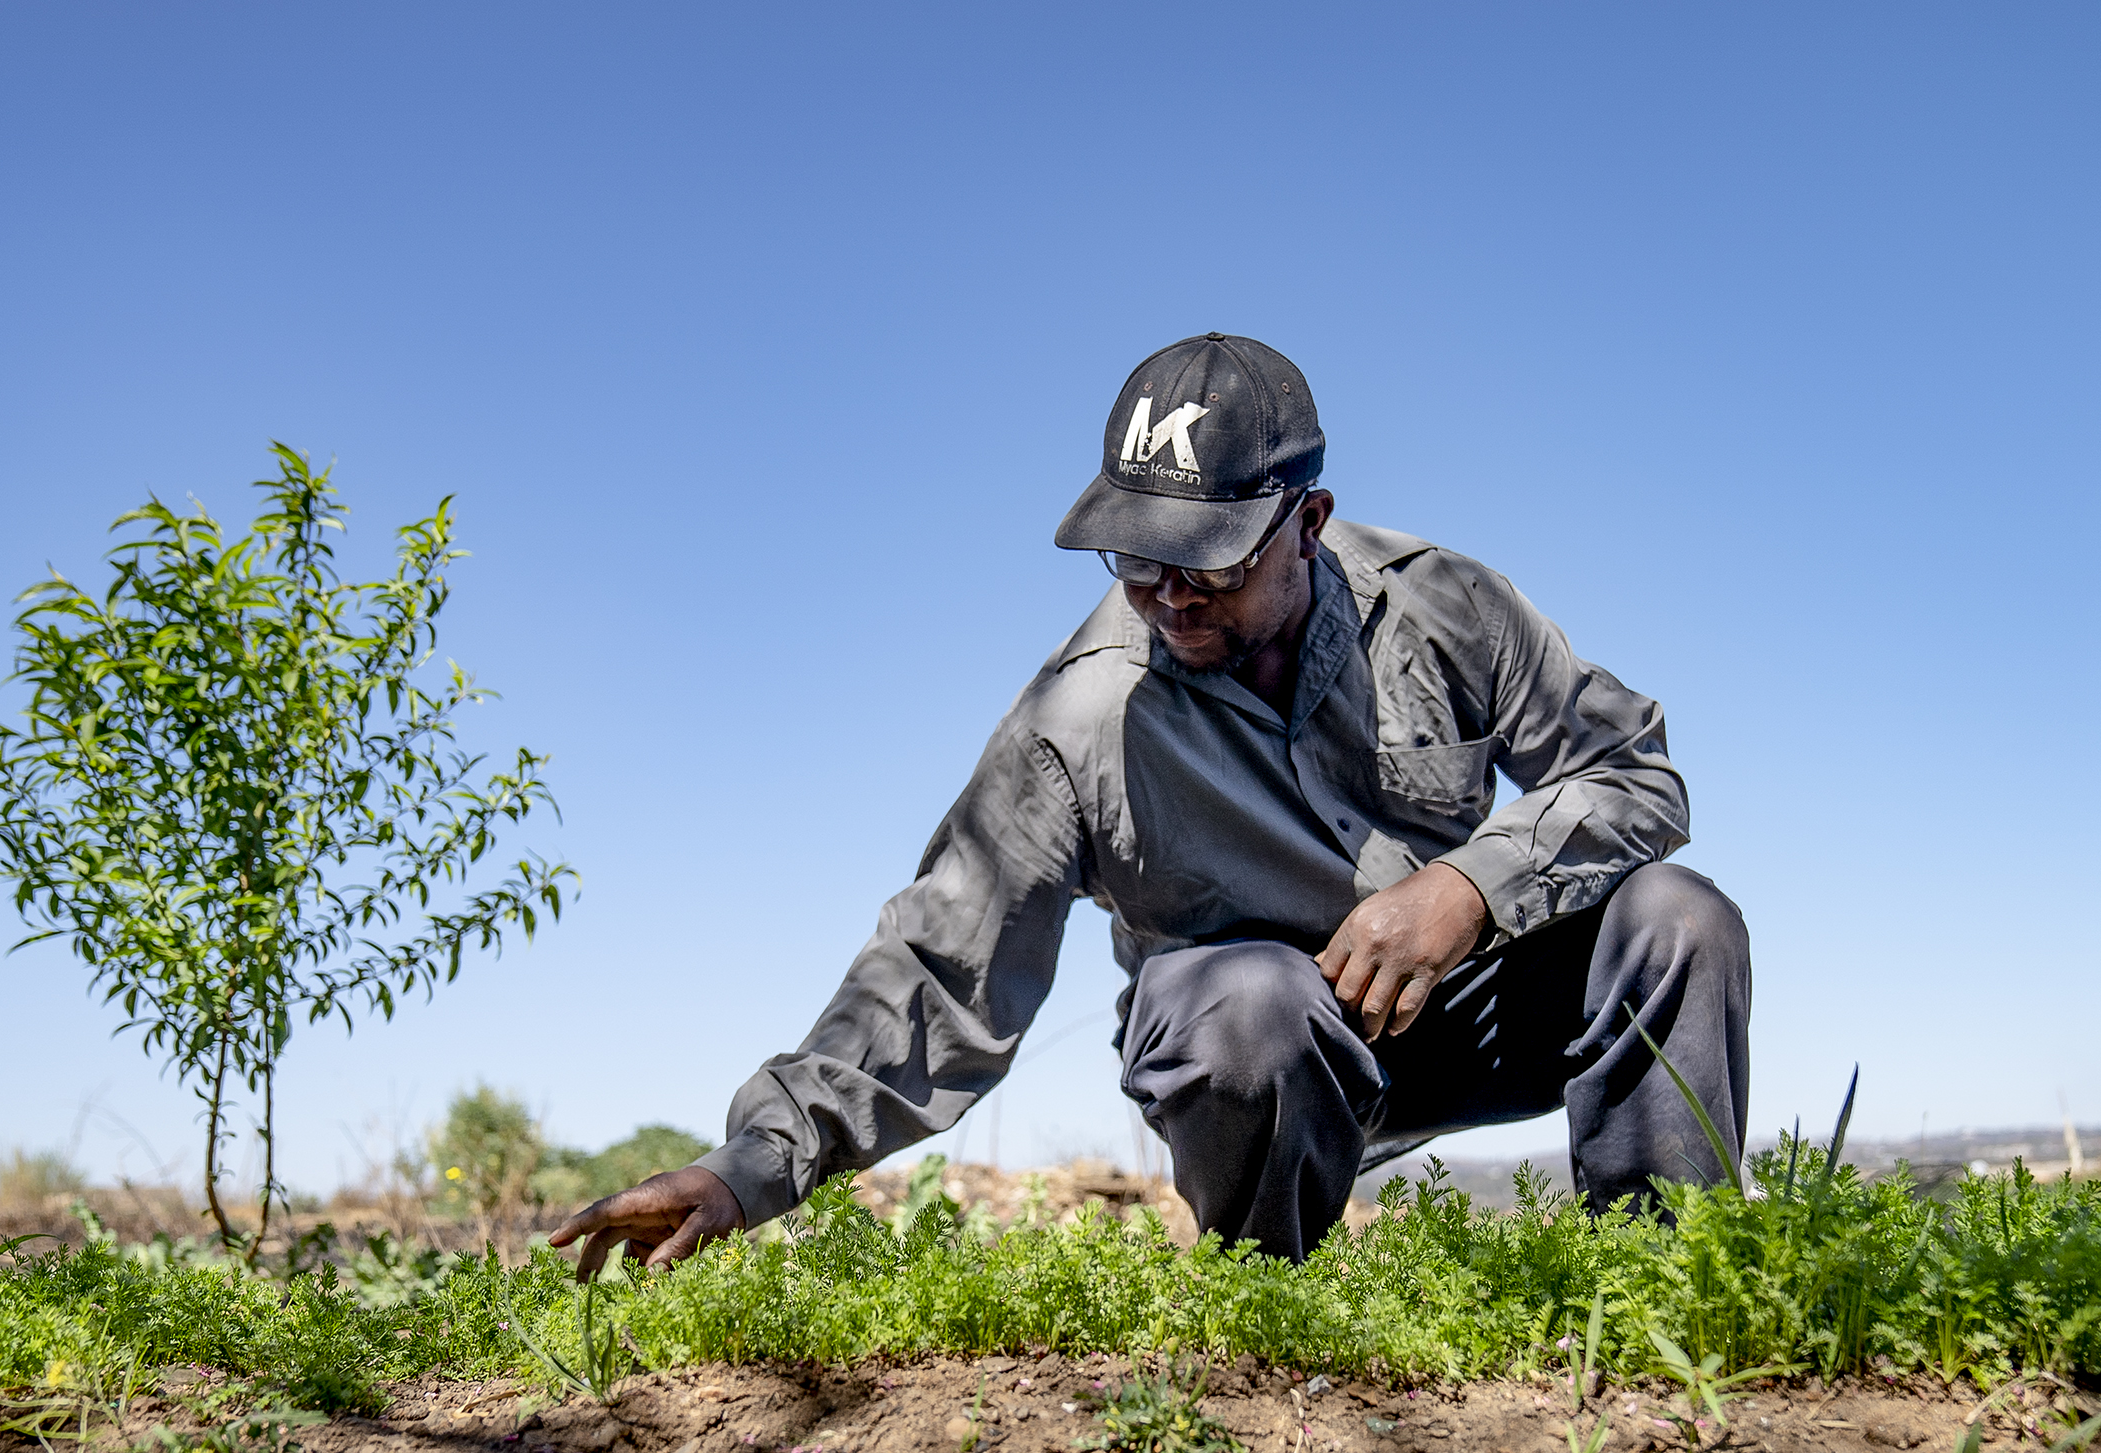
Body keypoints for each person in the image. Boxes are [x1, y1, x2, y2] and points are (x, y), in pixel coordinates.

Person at [553, 332, 1748, 1280]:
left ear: (1307, 525)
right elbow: (935, 973)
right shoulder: (1078, 720)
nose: (1168, 597)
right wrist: (743, 1172)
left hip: (1464, 1008)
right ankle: (1267, 1319)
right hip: (1259, 1057)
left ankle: (1662, 1298)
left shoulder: (1447, 609)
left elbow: (1635, 772)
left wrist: (1465, 887)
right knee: (1249, 1002)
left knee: (1677, 915)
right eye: (1135, 559)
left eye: (1210, 561)